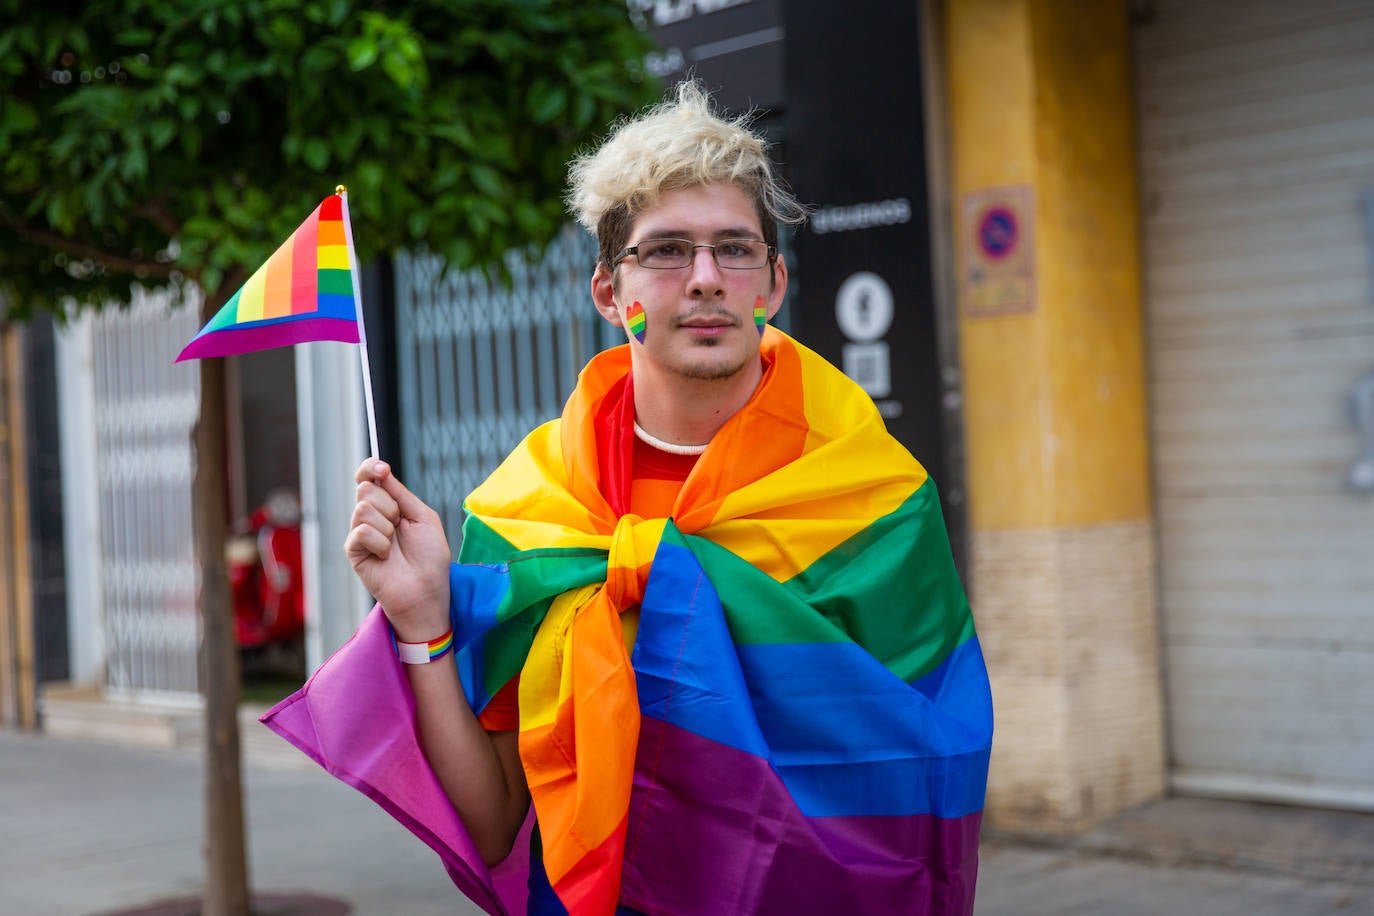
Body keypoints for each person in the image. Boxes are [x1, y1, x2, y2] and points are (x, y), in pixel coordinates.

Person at [269, 80, 992, 916]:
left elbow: (930, 777)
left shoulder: (872, 499)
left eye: (736, 248)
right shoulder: (534, 513)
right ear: (611, 294)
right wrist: (424, 620)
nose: (707, 279)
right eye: (666, 251)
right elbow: (501, 817)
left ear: (775, 284)